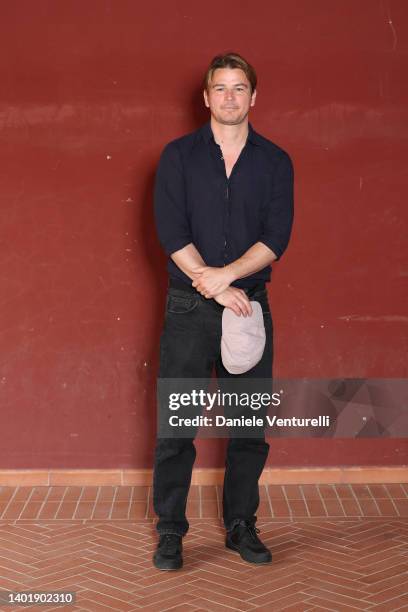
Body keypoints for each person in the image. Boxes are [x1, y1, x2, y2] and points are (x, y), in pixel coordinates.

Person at [152, 52, 294, 570]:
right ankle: (170, 530)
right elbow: (172, 233)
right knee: (177, 425)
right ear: (206, 97)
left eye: (239, 88)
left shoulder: (276, 161)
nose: (230, 97)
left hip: (247, 309)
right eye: (221, 88)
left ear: (253, 97)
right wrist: (212, 287)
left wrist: (227, 279)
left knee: (249, 426)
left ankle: (241, 525)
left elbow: (275, 238)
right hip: (189, 307)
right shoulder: (178, 156)